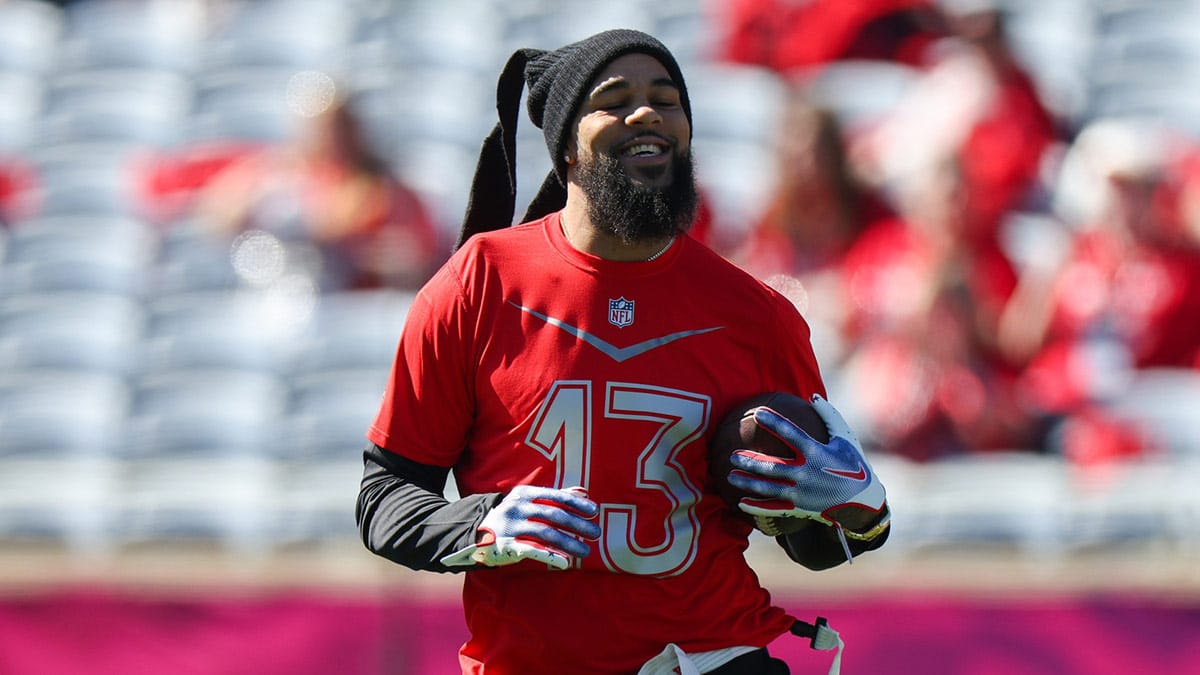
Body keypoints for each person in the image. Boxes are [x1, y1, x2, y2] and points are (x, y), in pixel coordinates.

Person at [355, 29, 890, 675]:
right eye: (615, 99)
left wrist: (860, 510)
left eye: (666, 98)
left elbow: (816, 541)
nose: (647, 113)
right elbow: (385, 497)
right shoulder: (479, 283)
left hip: (711, 659)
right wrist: (481, 526)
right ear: (567, 149)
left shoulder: (757, 314)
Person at [193, 93, 442, 291]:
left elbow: (417, 256)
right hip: (291, 290)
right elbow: (219, 217)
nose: (331, 139)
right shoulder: (281, 170)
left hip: (359, 304)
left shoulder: (386, 189)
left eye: (338, 129)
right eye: (323, 129)